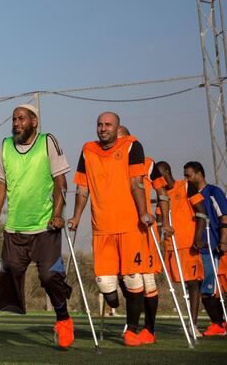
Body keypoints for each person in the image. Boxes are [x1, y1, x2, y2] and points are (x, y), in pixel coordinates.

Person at [0, 104, 74, 348]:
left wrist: (58, 214)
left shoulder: (47, 142)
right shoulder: (5, 146)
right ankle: (20, 306)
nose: (16, 123)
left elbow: (60, 181)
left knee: (48, 275)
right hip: (15, 227)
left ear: (34, 122)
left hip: (44, 226)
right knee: (11, 269)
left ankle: (63, 318)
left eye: (22, 119)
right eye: (14, 119)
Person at [67, 112, 157, 346]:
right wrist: (76, 217)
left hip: (129, 227)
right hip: (102, 228)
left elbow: (136, 183)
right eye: (100, 124)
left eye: (108, 125)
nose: (103, 128)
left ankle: (132, 331)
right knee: (107, 288)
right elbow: (82, 189)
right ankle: (116, 303)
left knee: (133, 278)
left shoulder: (131, 146)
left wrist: (143, 212)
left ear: (117, 128)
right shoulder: (87, 150)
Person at [117, 125, 165, 343]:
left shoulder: (148, 163)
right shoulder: (109, 162)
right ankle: (133, 326)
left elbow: (162, 192)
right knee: (124, 277)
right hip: (118, 228)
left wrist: (163, 221)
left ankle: (147, 330)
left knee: (147, 279)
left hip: (142, 230)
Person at [156, 161, 206, 335]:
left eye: (159, 175)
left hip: (188, 244)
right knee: (177, 284)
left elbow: (201, 212)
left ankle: (193, 325)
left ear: (167, 172)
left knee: (193, 283)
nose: (157, 180)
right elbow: (159, 222)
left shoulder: (185, 186)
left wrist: (198, 237)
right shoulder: (160, 194)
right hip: (171, 246)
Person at [183, 161, 227, 336]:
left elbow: (224, 217)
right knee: (201, 288)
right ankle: (217, 323)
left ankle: (219, 323)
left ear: (199, 174)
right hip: (195, 249)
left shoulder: (213, 192)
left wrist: (223, 241)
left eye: (189, 175)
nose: (186, 179)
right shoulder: (188, 194)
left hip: (212, 247)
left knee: (209, 288)